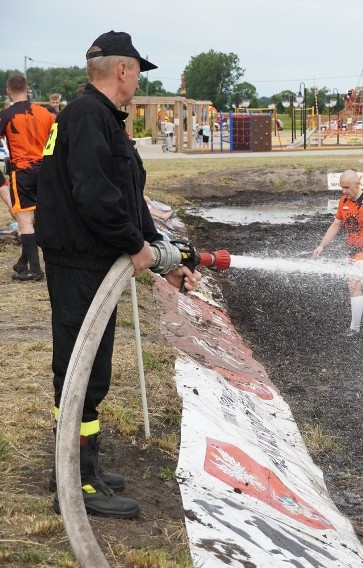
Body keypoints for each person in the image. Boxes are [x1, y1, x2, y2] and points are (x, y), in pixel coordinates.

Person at [37, 30, 200, 519]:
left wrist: (160, 255)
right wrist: (135, 246)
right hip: (80, 264)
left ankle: (82, 467)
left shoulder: (101, 118)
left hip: (93, 262)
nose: (137, 80)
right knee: (78, 370)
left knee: (92, 371)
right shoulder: (89, 118)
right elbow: (94, 196)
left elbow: (126, 196)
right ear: (123, 70)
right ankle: (76, 481)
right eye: (137, 71)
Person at [313, 170, 363, 336]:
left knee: (353, 284)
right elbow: (336, 225)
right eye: (341, 187)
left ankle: (354, 329)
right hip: (353, 253)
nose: (343, 190)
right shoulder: (343, 201)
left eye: (346, 187)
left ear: (357, 183)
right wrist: (321, 246)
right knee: (362, 285)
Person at [0, 74, 55, 281]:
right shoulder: (46, 114)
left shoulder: (6, 115)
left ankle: (35, 269)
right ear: (27, 89)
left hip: (22, 171)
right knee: (39, 219)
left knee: (24, 220)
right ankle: (24, 262)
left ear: (8, 91)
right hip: (46, 171)